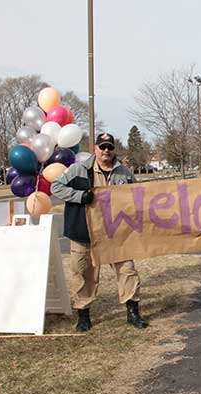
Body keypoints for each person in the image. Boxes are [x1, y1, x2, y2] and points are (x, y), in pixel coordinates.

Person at [51, 133, 149, 332]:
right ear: (95, 148)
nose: (106, 151)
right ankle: (84, 315)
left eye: (110, 147)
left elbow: (138, 196)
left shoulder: (124, 172)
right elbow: (56, 187)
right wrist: (80, 196)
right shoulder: (78, 170)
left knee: (127, 271)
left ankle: (132, 312)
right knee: (82, 273)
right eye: (102, 147)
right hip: (84, 233)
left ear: (114, 150)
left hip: (116, 234)